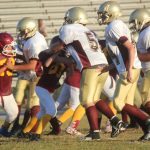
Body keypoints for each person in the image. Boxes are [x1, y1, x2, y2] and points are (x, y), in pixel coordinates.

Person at [51, 7, 124, 141]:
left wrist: (49, 51)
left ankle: (94, 133)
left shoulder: (69, 29)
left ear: (73, 18)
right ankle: (115, 121)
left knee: (85, 101)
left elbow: (60, 45)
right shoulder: (87, 31)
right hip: (102, 66)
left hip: (90, 67)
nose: (66, 21)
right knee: (95, 99)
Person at [97, 1, 150, 141]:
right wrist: (110, 67)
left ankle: (148, 123)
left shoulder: (113, 27)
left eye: (104, 14)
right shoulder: (117, 25)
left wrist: (129, 70)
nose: (101, 17)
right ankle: (147, 131)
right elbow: (120, 53)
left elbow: (130, 48)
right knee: (129, 103)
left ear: (111, 13)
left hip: (129, 68)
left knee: (118, 103)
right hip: (131, 66)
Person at [25, 35, 76, 141]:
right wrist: (57, 53)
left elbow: (70, 74)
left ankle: (26, 131)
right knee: (52, 111)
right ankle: (36, 134)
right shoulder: (47, 54)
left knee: (42, 112)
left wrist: (71, 63)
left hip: (46, 89)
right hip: (42, 87)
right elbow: (47, 64)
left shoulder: (65, 59)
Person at [6, 17, 48, 137]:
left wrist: (13, 67)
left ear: (30, 30)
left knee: (33, 104)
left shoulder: (35, 42)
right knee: (25, 101)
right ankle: (23, 128)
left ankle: (31, 130)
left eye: (22, 31)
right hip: (32, 74)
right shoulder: (32, 38)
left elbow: (32, 65)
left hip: (37, 74)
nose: (20, 33)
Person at [0, 32, 18, 137]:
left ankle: (3, 129)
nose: (11, 48)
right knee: (12, 113)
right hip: (1, 92)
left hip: (7, 91)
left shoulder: (10, 56)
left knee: (14, 113)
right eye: (8, 46)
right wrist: (6, 67)